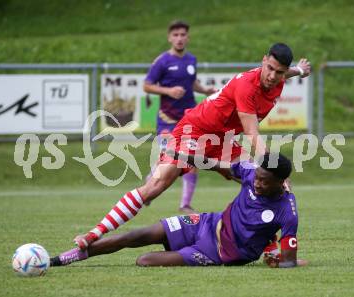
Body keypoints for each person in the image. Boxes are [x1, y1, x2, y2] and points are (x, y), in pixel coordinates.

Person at [73, 42, 311, 251]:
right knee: (155, 186)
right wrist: (273, 168)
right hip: (194, 130)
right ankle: (94, 233)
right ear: (263, 61)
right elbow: (251, 133)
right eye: (269, 68)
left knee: (263, 184)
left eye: (278, 72)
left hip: (224, 140)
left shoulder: (278, 78)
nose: (271, 76)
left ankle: (267, 240)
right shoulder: (247, 85)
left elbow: (285, 73)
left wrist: (300, 70)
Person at [52, 153, 307, 268]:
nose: (257, 183)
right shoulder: (252, 173)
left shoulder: (287, 211)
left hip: (217, 252)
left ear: (282, 182)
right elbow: (221, 167)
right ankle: (68, 257)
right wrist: (189, 157)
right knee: (137, 235)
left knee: (144, 260)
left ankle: (183, 253)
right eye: (257, 178)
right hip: (206, 223)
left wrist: (283, 260)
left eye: (265, 181)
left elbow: (289, 259)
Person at [143, 20, 217, 213]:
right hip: (167, 121)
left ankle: (185, 204)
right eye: (175, 35)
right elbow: (147, 85)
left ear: (188, 37)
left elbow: (191, 83)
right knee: (168, 160)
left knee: (192, 158)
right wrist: (168, 91)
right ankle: (149, 185)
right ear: (169, 38)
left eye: (183, 35)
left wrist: (205, 90)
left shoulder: (191, 60)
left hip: (190, 120)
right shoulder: (162, 61)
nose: (179, 38)